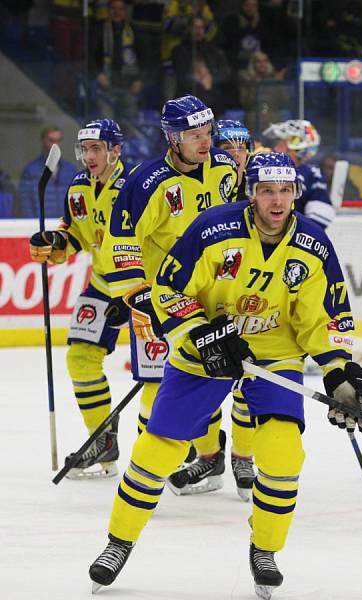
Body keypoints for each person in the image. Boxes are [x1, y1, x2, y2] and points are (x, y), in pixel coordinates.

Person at [88, 151, 362, 598]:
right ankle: (118, 543)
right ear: (251, 193)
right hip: (206, 346)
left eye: (284, 191)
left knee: (282, 454)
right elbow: (169, 290)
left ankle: (265, 549)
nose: (276, 202)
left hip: (273, 353)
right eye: (266, 191)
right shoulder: (213, 228)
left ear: (294, 193)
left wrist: (340, 371)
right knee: (157, 450)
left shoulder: (314, 245)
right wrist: (204, 335)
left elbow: (325, 318)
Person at [98, 95, 239, 496]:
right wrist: (135, 294)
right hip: (169, 303)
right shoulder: (146, 182)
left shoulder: (225, 168)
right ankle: (151, 467)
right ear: (172, 138)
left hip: (221, 296)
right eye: (194, 135)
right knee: (160, 388)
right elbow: (122, 240)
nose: (205, 142)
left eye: (208, 132)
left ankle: (214, 457)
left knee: (215, 377)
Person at [28, 119, 131, 478]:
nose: (88, 156)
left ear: (115, 151)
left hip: (146, 288)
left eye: (96, 149)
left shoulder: (136, 187)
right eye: (85, 149)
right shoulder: (77, 188)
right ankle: (102, 440)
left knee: (165, 373)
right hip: (103, 284)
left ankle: (182, 445)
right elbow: (74, 235)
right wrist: (54, 244)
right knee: (80, 358)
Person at [262, 119, 334, 229]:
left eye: (280, 144)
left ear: (296, 148)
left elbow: (319, 220)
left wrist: (292, 238)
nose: (275, 148)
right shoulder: (262, 171)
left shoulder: (311, 176)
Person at [17, 126, 77, 218]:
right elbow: (25, 201)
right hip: (39, 224)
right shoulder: (31, 170)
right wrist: (32, 222)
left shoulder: (70, 170)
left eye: (58, 140)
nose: (55, 145)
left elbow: (76, 197)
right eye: (51, 140)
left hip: (64, 225)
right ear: (43, 141)